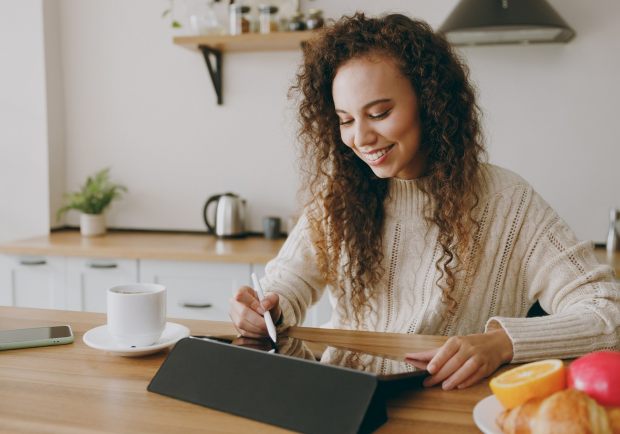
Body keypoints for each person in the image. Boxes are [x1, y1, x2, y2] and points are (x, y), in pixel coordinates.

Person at [229, 12, 620, 390]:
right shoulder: (341, 195)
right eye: (345, 120)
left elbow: (608, 312)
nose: (360, 138)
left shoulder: (507, 201)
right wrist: (265, 311)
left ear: (430, 103)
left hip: (444, 408)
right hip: (342, 399)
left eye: (379, 113)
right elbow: (287, 285)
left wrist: (502, 342)